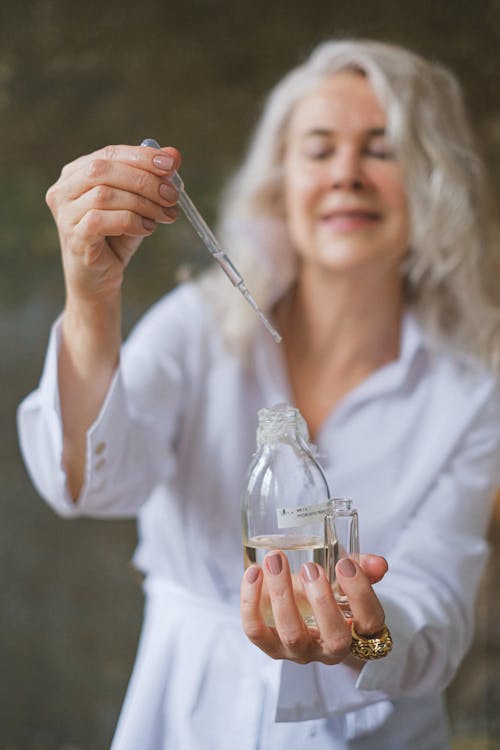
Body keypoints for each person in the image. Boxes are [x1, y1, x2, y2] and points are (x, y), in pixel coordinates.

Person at [17, 38, 500, 750]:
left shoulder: (472, 391)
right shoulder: (200, 328)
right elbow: (88, 486)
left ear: (430, 179)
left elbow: (439, 605)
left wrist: (364, 636)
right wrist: (92, 299)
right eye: (318, 148)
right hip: (186, 717)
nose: (346, 174)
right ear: (281, 183)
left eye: (381, 149)